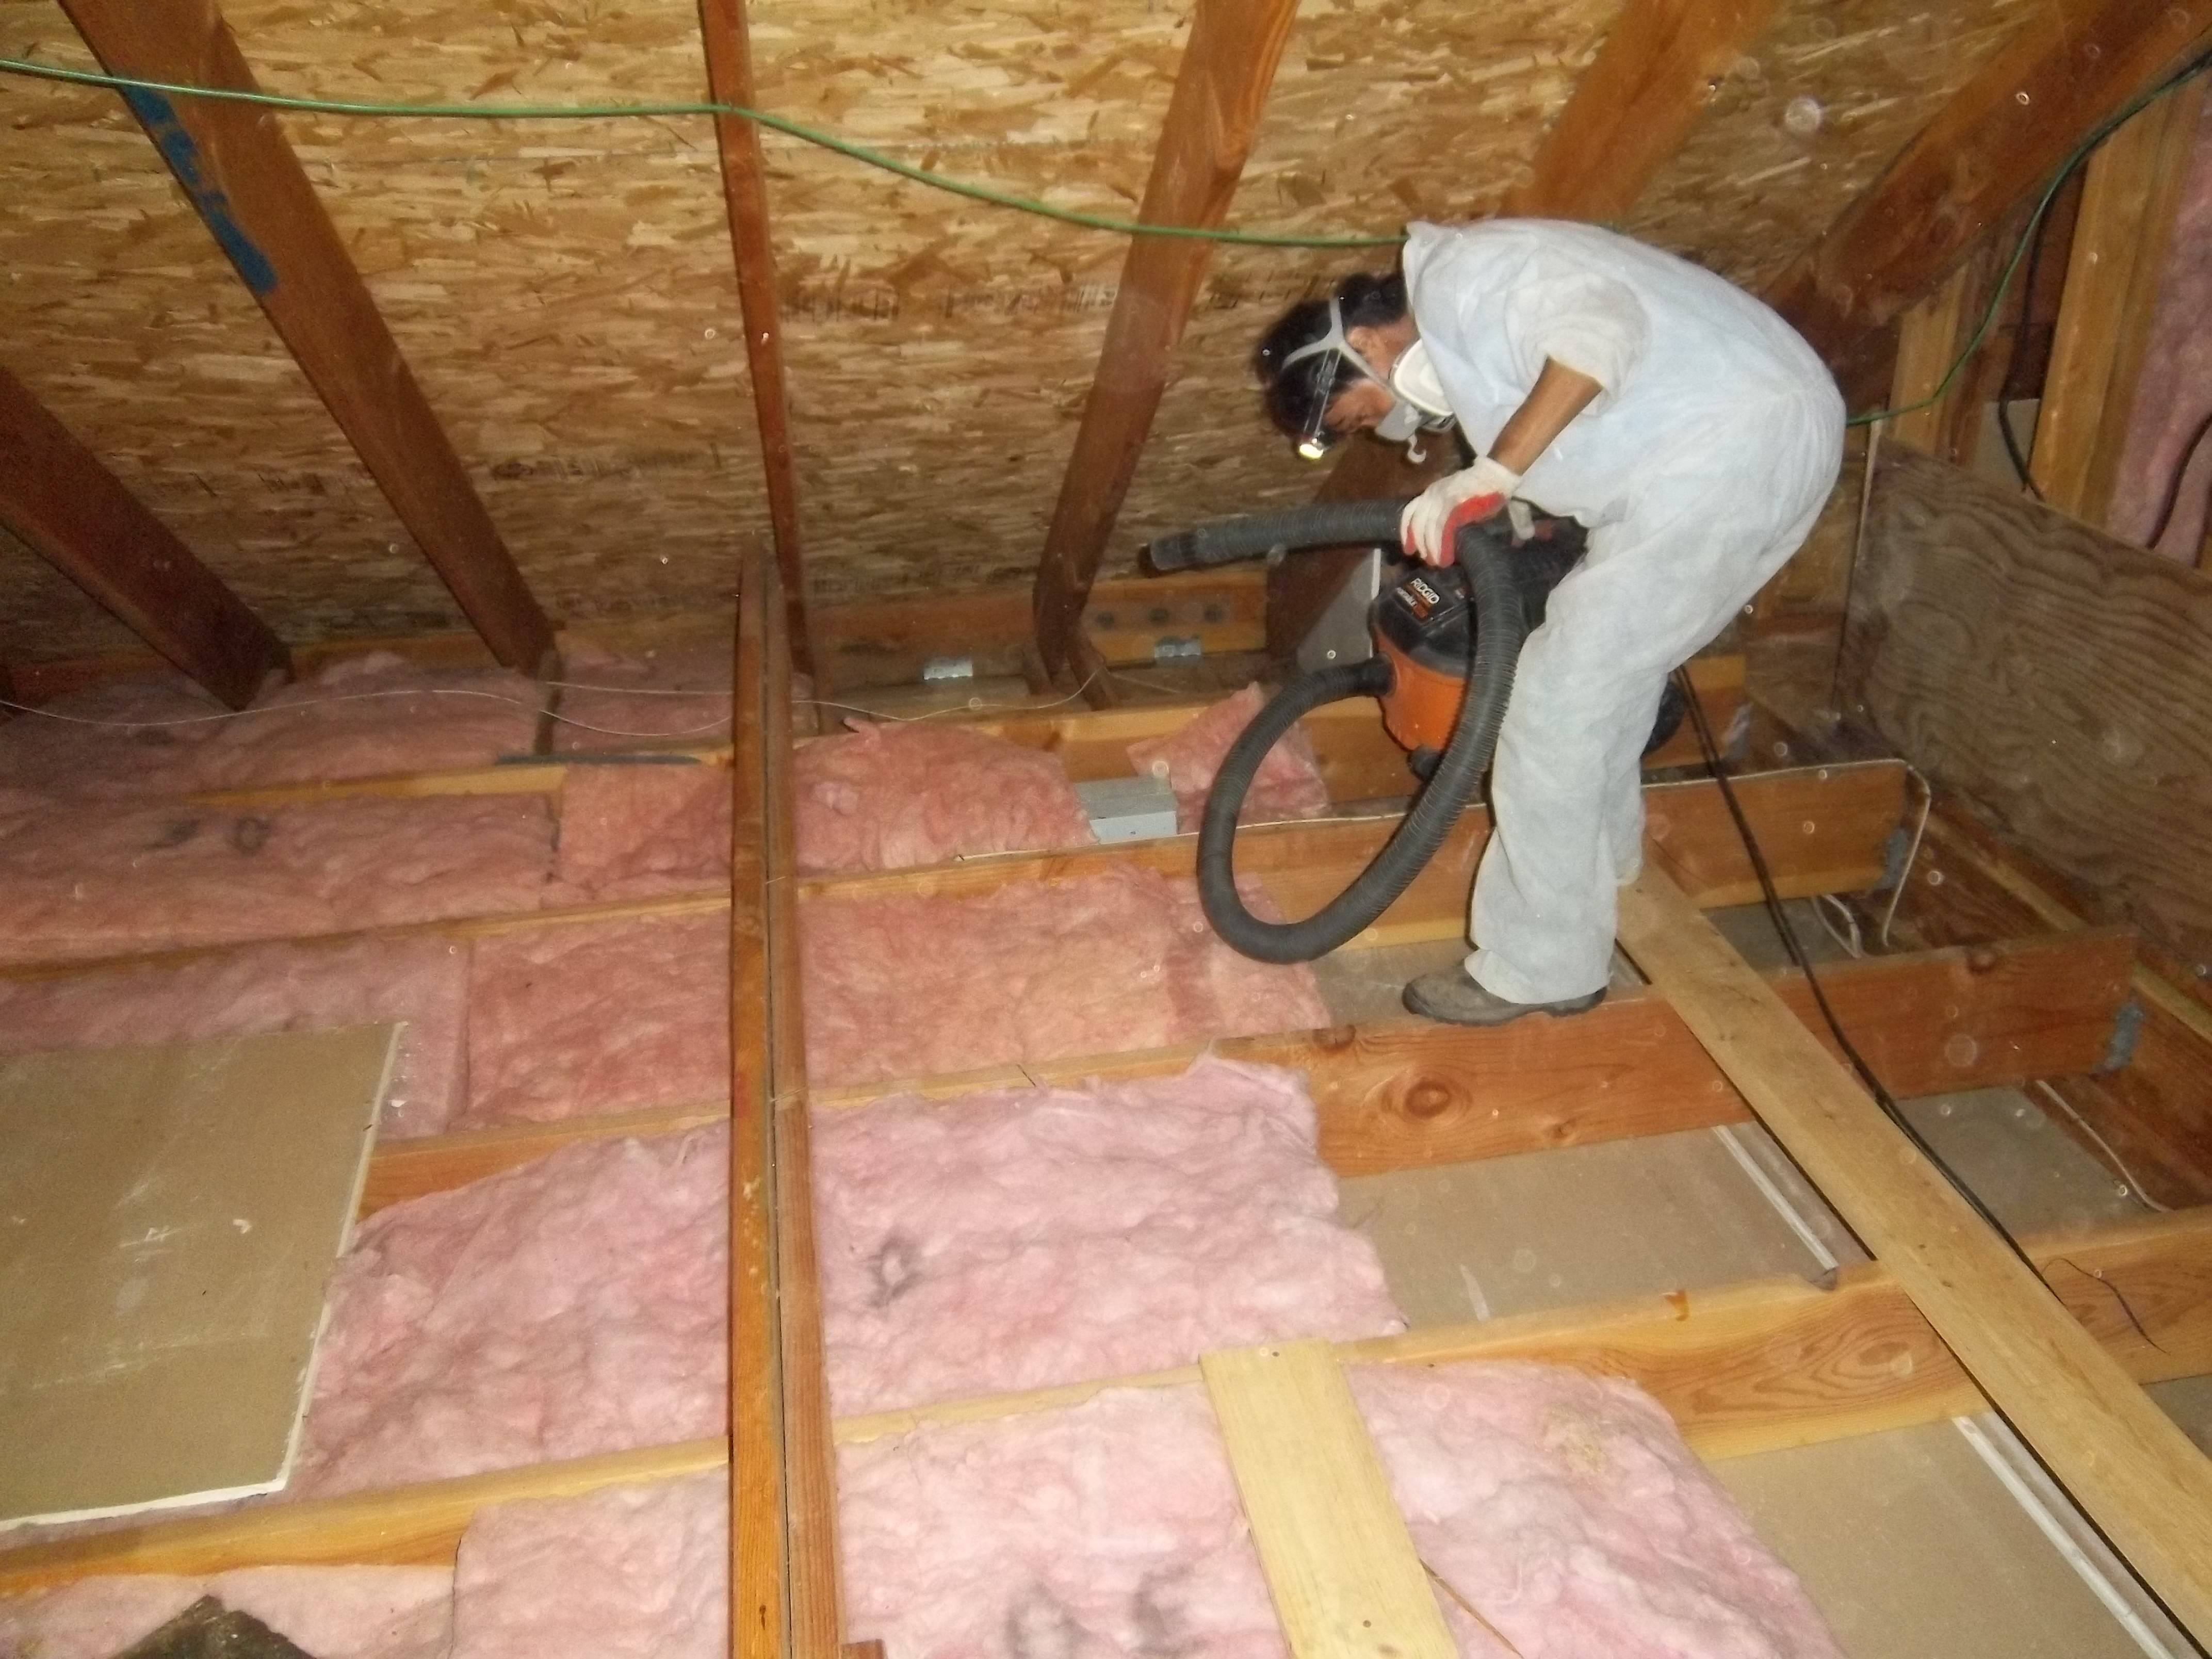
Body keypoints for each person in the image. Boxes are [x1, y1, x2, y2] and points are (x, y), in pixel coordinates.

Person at [1254, 220, 1843, 1028]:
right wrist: (1513, 493)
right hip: (1738, 445)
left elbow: (1598, 339)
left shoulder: (1464, 275)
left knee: (1554, 703)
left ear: (1362, 342)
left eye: (1352, 415)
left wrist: (1493, 476)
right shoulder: (1466, 322)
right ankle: (1608, 866)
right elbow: (1564, 401)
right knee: (1605, 671)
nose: (1375, 426)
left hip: (1723, 452)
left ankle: (1541, 967)